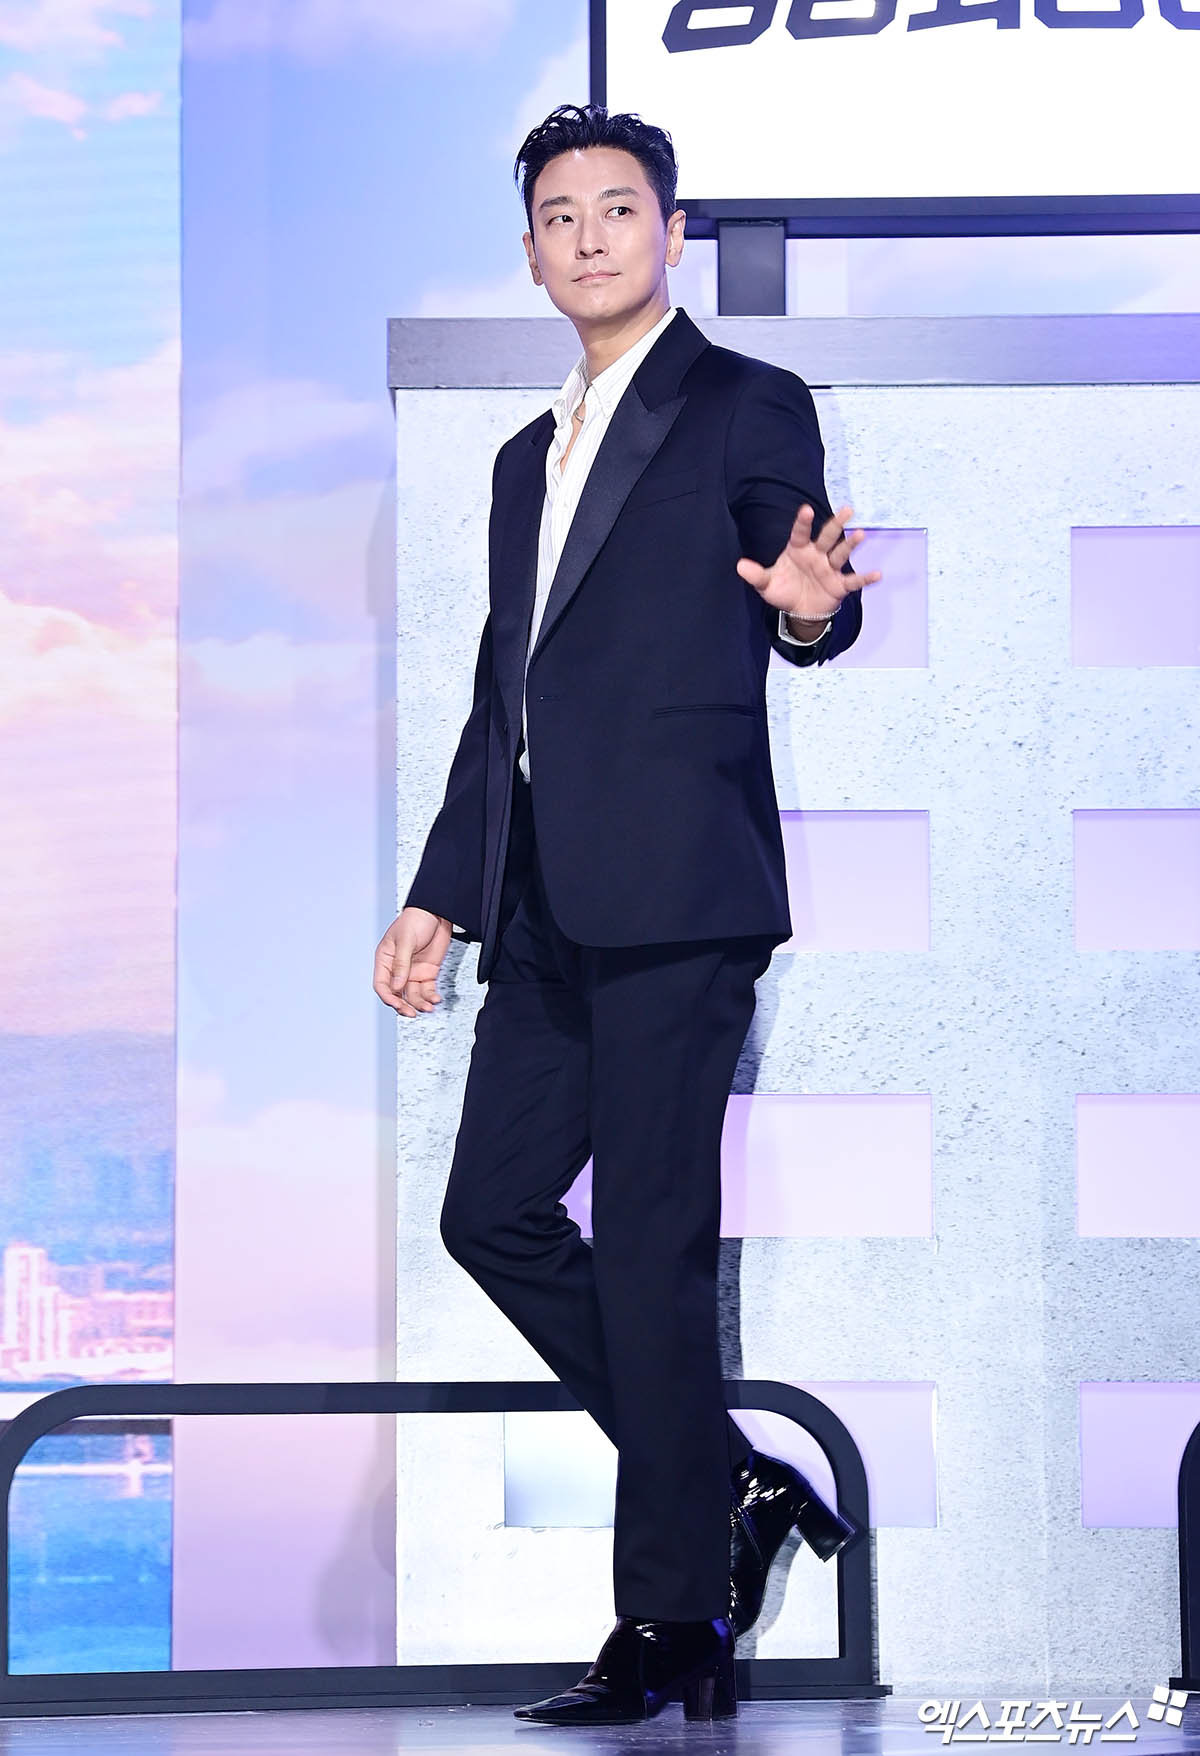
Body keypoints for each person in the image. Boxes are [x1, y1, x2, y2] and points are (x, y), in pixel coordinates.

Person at [374, 102, 880, 1727]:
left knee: (654, 1247)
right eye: (560, 216)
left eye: (616, 208)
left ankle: (671, 1624)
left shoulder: (745, 400)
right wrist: (442, 893)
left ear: (670, 230)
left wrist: (807, 616)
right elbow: (503, 693)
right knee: (491, 1214)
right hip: (540, 901)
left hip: (677, 888)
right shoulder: (522, 460)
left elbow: (791, 574)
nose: (588, 236)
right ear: (531, 253)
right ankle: (727, 1480)